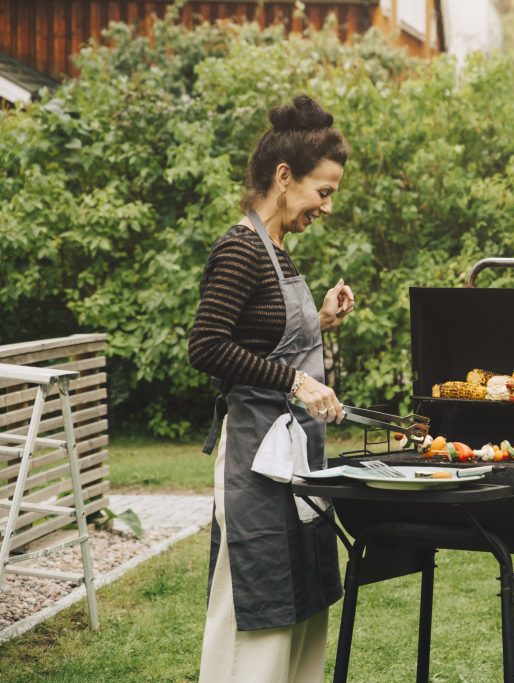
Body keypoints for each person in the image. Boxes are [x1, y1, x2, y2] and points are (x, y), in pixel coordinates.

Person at [188, 94, 355, 683]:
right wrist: (297, 381)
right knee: (259, 608)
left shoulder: (278, 251)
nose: (327, 207)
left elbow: (263, 335)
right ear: (284, 178)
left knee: (301, 603)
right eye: (324, 191)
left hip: (294, 454)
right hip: (256, 458)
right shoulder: (240, 249)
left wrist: (322, 320)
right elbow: (206, 346)